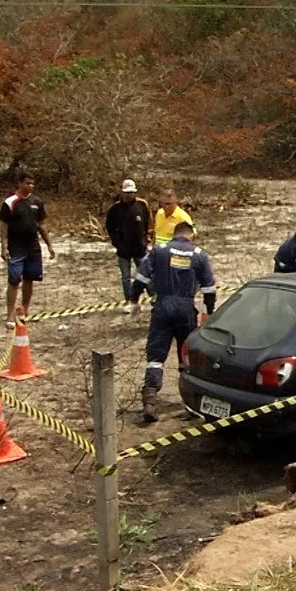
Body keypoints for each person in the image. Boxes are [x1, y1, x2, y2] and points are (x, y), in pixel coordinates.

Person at [129, 221, 217, 422]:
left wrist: (134, 300)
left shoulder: (159, 251)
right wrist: (207, 313)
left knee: (155, 356)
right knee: (186, 358)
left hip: (162, 307)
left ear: (174, 234)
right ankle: (190, 405)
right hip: (186, 309)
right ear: (191, 235)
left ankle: (150, 400)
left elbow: (141, 278)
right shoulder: (199, 255)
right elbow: (209, 290)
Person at [0, 172, 56, 329]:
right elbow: (4, 226)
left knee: (29, 279)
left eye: (32, 184)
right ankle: (10, 314)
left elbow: (42, 225)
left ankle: (24, 311)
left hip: (33, 247)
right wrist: (3, 247)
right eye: (27, 183)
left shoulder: (37, 202)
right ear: (19, 183)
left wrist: (49, 245)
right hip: (16, 247)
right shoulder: (10, 202)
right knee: (14, 280)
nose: (30, 186)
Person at [105, 178, 153, 312]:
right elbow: (110, 228)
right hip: (123, 251)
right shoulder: (114, 209)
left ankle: (154, 301)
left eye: (131, 192)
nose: (128, 195)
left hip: (140, 249)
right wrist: (117, 244)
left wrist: (147, 241)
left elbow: (149, 224)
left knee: (146, 275)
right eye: (126, 192)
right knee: (126, 278)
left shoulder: (142, 205)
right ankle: (131, 302)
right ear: (122, 192)